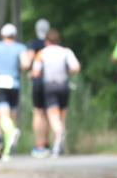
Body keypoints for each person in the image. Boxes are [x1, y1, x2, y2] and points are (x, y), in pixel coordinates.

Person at [0, 23, 31, 161]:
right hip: (14, 82)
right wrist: (18, 67)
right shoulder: (20, 47)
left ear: (3, 35)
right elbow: (26, 64)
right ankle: (8, 149)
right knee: (12, 114)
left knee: (3, 115)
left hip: (1, 81)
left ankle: (11, 133)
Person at [31, 29, 81, 157]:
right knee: (61, 116)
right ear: (58, 40)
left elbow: (35, 72)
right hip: (64, 85)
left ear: (46, 41)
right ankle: (59, 145)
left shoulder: (42, 53)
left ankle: (59, 134)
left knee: (53, 116)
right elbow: (76, 67)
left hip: (50, 86)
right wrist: (67, 72)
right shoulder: (66, 52)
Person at [26, 18, 51, 158]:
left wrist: (30, 71)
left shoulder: (34, 44)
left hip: (38, 81)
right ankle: (48, 143)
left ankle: (39, 144)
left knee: (38, 112)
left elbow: (29, 61)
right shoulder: (52, 44)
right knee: (50, 113)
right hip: (52, 81)